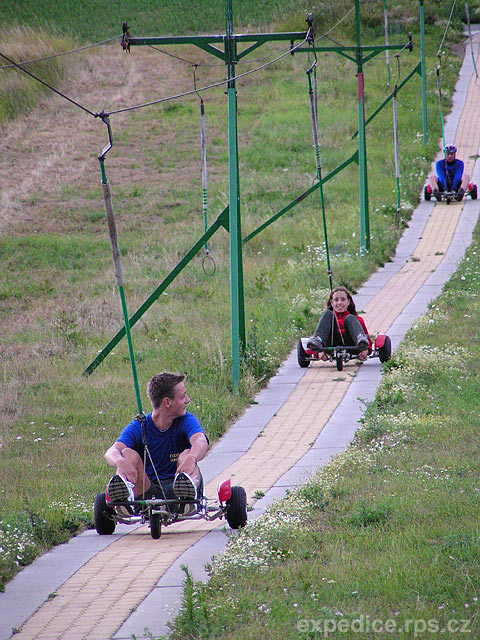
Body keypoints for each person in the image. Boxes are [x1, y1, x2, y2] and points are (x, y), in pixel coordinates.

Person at [104, 372, 209, 514]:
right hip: (147, 490)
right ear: (167, 402)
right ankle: (124, 500)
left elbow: (200, 441)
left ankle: (187, 499)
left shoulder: (186, 420)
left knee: (187, 453)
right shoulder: (140, 425)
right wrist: (119, 462)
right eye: (183, 396)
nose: (188, 400)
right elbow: (111, 452)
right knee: (127, 454)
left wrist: (192, 458)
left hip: (176, 489)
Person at [306, 285, 372, 362]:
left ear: (348, 302)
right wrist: (319, 352)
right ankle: (318, 341)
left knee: (350, 317)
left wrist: (366, 350)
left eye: (343, 299)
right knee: (328, 314)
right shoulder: (327, 320)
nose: (339, 303)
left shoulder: (357, 320)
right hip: (331, 344)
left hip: (352, 345)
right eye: (336, 300)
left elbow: (369, 342)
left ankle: (360, 339)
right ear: (331, 303)